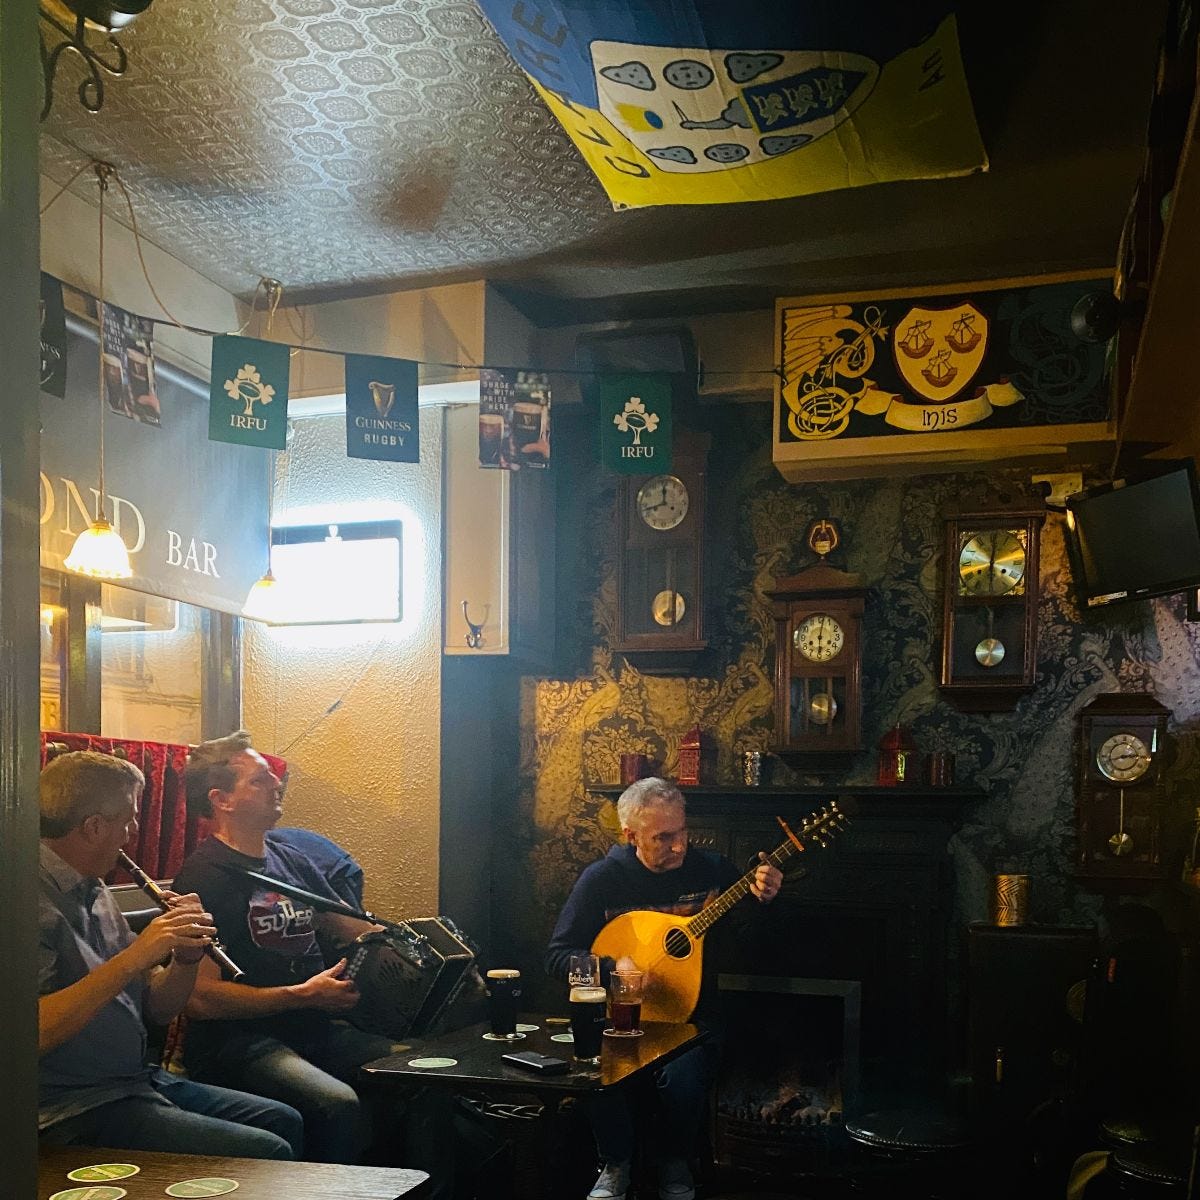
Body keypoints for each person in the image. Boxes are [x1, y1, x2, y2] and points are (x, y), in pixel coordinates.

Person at [37, 750, 303, 1159]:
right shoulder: (28, 901)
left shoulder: (96, 889)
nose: (133, 831)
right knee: (269, 1150)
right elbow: (34, 1033)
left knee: (283, 1119)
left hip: (136, 1081)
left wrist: (186, 958)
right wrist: (134, 957)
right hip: (72, 1107)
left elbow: (159, 1008)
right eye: (128, 819)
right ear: (92, 827)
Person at [171, 730, 404, 1166]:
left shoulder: (290, 859)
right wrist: (302, 996)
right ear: (221, 799)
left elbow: (353, 929)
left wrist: (415, 952)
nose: (276, 784)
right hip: (242, 1044)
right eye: (259, 780)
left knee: (419, 1074)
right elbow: (199, 999)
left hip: (316, 1028)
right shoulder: (202, 878)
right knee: (336, 1103)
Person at [546, 777, 783, 1200]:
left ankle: (675, 1162)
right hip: (619, 1020)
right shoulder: (602, 880)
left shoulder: (714, 872)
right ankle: (615, 1163)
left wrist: (763, 903)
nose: (679, 846)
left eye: (684, 832)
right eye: (664, 837)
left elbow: (753, 946)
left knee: (683, 1072)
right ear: (631, 835)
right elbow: (558, 955)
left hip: (691, 1019)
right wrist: (613, 968)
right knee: (597, 1065)